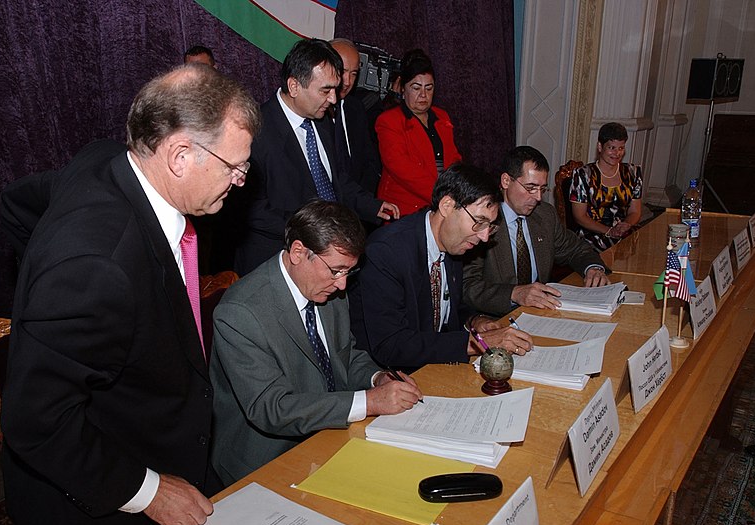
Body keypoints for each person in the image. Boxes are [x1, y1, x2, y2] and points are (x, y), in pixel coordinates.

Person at [0, 65, 260, 525]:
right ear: (180, 155)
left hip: (151, 440)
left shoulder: (107, 159)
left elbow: (17, 203)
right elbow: (34, 422)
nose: (240, 182)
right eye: (234, 167)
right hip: (96, 505)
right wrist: (150, 491)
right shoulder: (97, 268)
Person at [210, 201, 422, 484]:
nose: (343, 285)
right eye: (336, 270)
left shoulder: (327, 288)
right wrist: (369, 402)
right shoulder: (240, 312)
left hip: (330, 437)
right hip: (267, 462)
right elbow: (272, 409)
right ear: (298, 252)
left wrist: (377, 378)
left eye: (349, 272)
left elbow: (345, 356)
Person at [234, 38, 399, 275]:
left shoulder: (320, 120)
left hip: (327, 259)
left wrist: (370, 205)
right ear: (294, 86)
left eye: (335, 87)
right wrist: (315, 231)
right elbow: (252, 212)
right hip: (278, 263)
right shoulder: (254, 132)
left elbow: (335, 179)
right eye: (326, 90)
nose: (334, 98)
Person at [348, 164, 533, 372]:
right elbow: (391, 345)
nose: (484, 236)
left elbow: (447, 309)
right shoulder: (386, 252)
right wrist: (474, 342)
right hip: (392, 376)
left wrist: (475, 321)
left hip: (436, 365)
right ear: (446, 205)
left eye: (489, 226)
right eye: (479, 222)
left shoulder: (453, 243)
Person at [464, 146, 610, 317]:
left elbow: (575, 249)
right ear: (506, 181)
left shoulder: (544, 214)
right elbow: (468, 286)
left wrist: (592, 268)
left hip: (542, 314)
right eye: (531, 188)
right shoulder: (483, 220)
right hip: (496, 318)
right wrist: (514, 294)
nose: (538, 197)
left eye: (542, 189)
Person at [375, 49, 462, 216]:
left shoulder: (442, 116)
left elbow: (453, 159)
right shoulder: (388, 121)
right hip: (405, 209)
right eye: (416, 88)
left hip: (443, 202)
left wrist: (458, 187)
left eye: (429, 88)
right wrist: (443, 196)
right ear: (402, 88)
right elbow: (403, 169)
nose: (423, 94)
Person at [570, 122, 643, 251]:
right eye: (611, 147)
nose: (617, 153)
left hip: (624, 233)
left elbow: (635, 211)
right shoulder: (583, 174)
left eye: (621, 148)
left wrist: (626, 224)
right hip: (592, 236)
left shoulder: (633, 172)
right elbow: (579, 217)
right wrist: (609, 231)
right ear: (600, 146)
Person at [329, 38, 381, 196]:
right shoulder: (313, 112)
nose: (348, 81)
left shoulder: (356, 108)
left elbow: (369, 161)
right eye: (342, 71)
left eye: (354, 73)